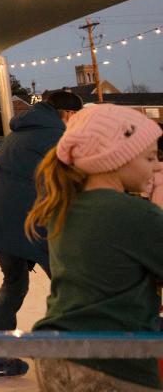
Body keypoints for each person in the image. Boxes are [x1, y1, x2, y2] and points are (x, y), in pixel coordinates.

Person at [29, 104, 163, 390]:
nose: (156, 165)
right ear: (116, 158)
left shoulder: (64, 207)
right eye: (150, 156)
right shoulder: (133, 214)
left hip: (56, 350)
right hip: (112, 358)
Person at [0, 89, 83, 379]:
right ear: (69, 114)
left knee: (13, 284)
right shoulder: (55, 135)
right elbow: (76, 179)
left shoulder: (18, 133)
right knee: (70, 286)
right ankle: (72, 355)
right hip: (30, 222)